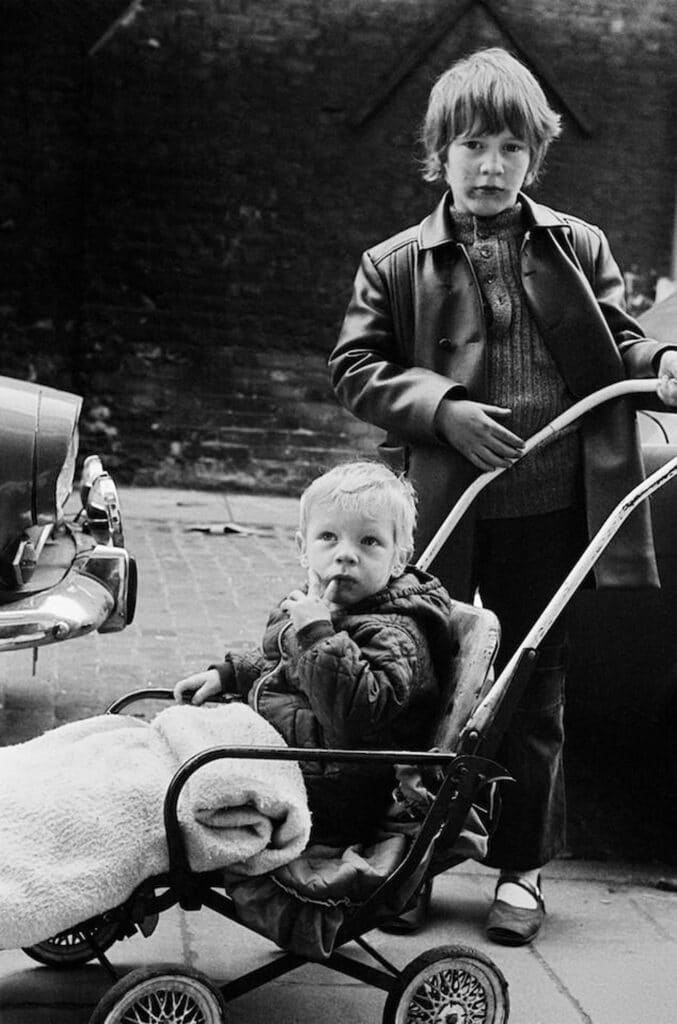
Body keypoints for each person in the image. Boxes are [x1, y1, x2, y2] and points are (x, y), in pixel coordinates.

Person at [329, 47, 677, 945]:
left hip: (554, 511)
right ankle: (406, 855)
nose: (490, 168)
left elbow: (622, 345)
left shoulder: (576, 245)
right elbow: (355, 368)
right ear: (439, 152)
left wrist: (661, 363)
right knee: (421, 681)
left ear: (534, 159)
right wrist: (442, 411)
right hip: (444, 516)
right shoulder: (394, 261)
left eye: (510, 150)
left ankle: (519, 868)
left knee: (531, 687)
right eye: (472, 146)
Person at [174, 459, 454, 846]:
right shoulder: (321, 605)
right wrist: (231, 673)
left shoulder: (395, 632)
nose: (346, 555)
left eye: (369, 541)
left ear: (399, 559)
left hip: (337, 792)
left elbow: (355, 716)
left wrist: (317, 631)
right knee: (166, 749)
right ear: (303, 549)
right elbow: (285, 664)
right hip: (296, 758)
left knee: (180, 781)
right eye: (328, 538)